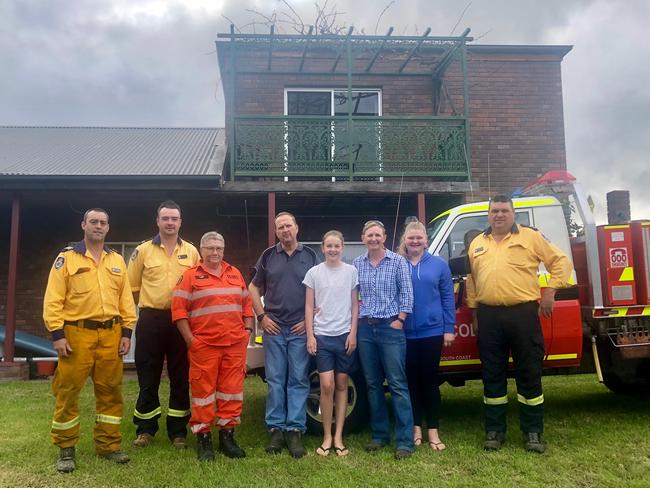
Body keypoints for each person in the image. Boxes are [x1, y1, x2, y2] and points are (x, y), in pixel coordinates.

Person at [466, 194, 573, 453]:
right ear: (488, 215)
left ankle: (533, 433)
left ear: (513, 214)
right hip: (489, 315)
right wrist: (475, 314)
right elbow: (472, 280)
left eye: (504, 210)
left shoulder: (530, 237)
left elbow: (560, 262)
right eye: (494, 211)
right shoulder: (477, 243)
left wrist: (550, 292)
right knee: (492, 374)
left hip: (523, 314)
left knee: (529, 373)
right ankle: (494, 431)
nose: (499, 215)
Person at [43, 208, 137, 473]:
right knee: (68, 390)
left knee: (111, 391)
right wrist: (57, 335)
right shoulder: (66, 259)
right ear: (83, 225)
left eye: (103, 222)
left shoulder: (117, 260)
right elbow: (53, 299)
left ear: (108, 228)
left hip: (111, 334)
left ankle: (109, 445)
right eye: (93, 221)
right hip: (76, 335)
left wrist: (127, 333)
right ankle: (66, 448)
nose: (98, 226)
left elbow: (126, 301)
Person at [172, 232, 254, 461]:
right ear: (201, 250)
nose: (214, 252)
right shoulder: (189, 276)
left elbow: (247, 305)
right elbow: (178, 311)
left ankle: (228, 437)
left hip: (234, 345)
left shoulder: (234, 273)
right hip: (204, 346)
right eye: (210, 248)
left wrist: (247, 332)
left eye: (218, 248)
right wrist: (191, 340)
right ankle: (204, 438)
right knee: (203, 394)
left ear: (223, 249)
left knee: (232, 392)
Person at [128, 200, 199, 449]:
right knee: (149, 375)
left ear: (180, 222)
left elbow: (198, 288)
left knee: (181, 376)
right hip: (151, 319)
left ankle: (178, 431)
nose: (170, 223)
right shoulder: (142, 251)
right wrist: (149, 309)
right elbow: (132, 290)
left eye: (174, 219)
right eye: (165, 218)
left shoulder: (191, 252)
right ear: (157, 221)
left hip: (181, 322)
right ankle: (146, 429)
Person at [248, 212, 319, 459]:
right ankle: (276, 429)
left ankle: (295, 430)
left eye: (288, 225)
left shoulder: (310, 256)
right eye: (280, 227)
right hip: (274, 328)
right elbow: (253, 287)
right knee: (276, 380)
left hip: (300, 329)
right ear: (276, 231)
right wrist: (261, 317)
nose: (285, 230)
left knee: (298, 379)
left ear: (297, 228)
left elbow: (322, 289)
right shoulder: (268, 255)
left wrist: (308, 322)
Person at [353, 220, 414, 460]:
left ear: (385, 237)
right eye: (370, 235)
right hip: (366, 329)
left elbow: (407, 293)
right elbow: (352, 295)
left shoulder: (398, 261)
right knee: (372, 384)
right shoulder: (357, 264)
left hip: (391, 327)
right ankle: (379, 435)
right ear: (363, 238)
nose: (374, 239)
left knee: (398, 384)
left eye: (377, 234)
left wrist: (400, 320)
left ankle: (405, 441)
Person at [398, 220, 456, 451]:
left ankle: (433, 429)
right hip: (404, 333)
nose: (415, 241)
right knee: (411, 382)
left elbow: (447, 297)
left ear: (426, 240)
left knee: (430, 381)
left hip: (432, 331)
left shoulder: (439, 265)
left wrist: (448, 328)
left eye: (419, 237)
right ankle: (415, 428)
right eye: (411, 238)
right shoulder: (397, 264)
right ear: (405, 240)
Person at [303, 230, 359, 457]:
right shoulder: (313, 273)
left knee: (342, 383)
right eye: (329, 246)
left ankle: (338, 437)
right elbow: (308, 307)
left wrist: (353, 333)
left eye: (337, 246)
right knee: (326, 385)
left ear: (342, 248)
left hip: (344, 335)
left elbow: (356, 306)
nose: (333, 250)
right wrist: (310, 336)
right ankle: (327, 435)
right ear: (322, 248)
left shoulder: (351, 272)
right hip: (323, 337)